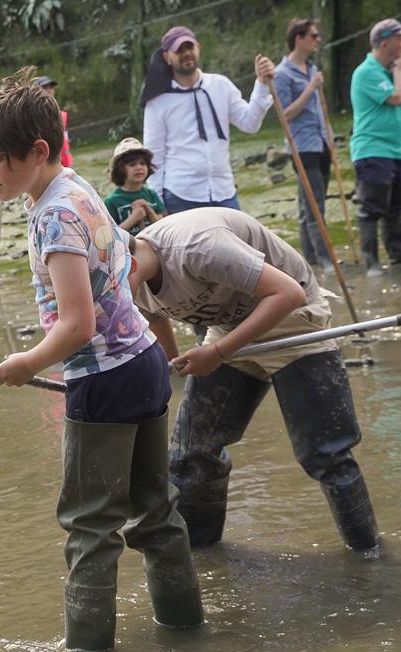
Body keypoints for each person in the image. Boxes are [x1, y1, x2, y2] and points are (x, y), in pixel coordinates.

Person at [0, 67, 203, 652]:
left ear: (38, 151)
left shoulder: (54, 214)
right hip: (145, 363)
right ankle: (187, 634)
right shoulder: (75, 186)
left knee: (90, 529)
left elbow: (78, 324)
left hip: (104, 380)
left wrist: (29, 360)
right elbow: (117, 266)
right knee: (156, 515)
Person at [127, 207, 380, 553]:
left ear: (128, 260)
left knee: (326, 454)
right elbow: (154, 316)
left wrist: (216, 354)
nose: (109, 294)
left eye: (110, 282)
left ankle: (370, 559)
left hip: (292, 319)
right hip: (229, 326)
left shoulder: (197, 248)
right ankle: (201, 559)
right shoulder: (129, 280)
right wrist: (172, 363)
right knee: (191, 455)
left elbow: (288, 293)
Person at [141, 26, 276, 214]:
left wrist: (261, 83)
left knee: (234, 243)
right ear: (166, 57)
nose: (186, 53)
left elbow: (250, 123)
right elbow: (154, 155)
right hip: (181, 197)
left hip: (224, 192)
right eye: (179, 50)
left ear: (199, 48)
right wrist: (159, 204)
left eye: (190, 47)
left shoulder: (220, 85)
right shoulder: (158, 102)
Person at [350, 19, 401, 275]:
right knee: (372, 208)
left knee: (397, 206)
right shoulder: (366, 71)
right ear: (385, 43)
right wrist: (397, 73)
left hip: (399, 150)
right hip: (373, 149)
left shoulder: (396, 69)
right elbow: (397, 97)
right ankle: (372, 263)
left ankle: (399, 256)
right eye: (400, 39)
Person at [275, 18, 335, 273]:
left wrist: (330, 134)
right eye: (313, 35)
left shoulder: (312, 68)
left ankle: (309, 258)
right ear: (299, 39)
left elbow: (320, 109)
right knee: (314, 203)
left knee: (307, 203)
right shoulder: (281, 74)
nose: (318, 39)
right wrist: (311, 88)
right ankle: (324, 259)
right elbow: (285, 114)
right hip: (302, 145)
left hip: (321, 142)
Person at [103, 137, 166, 236]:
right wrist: (133, 218)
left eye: (143, 163)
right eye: (132, 164)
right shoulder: (112, 201)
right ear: (120, 169)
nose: (139, 167)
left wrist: (149, 211)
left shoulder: (151, 194)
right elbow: (110, 235)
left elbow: (164, 225)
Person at [32, 76, 72, 168]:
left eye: (51, 87)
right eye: (45, 87)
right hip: (47, 166)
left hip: (65, 163)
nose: (49, 90)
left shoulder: (61, 115)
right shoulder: (34, 116)